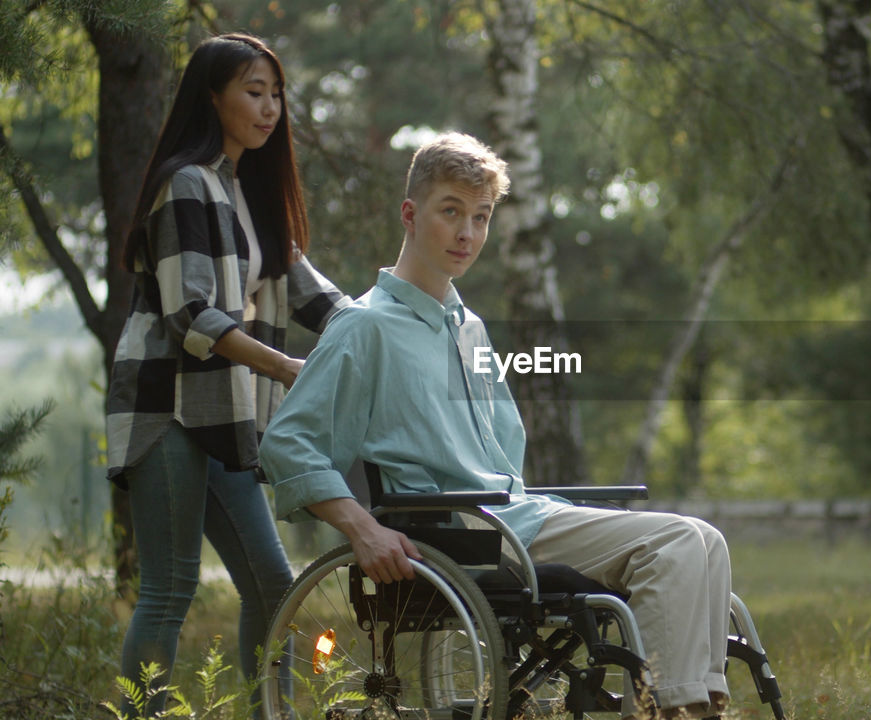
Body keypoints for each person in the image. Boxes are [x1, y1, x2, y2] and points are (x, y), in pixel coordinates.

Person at [260, 132, 731, 720]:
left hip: (514, 513)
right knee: (679, 541)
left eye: (480, 218)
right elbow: (288, 444)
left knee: (706, 541)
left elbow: (506, 450)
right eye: (451, 212)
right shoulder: (364, 327)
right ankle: (676, 710)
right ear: (410, 214)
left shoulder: (470, 330)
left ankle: (696, 702)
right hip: (466, 531)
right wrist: (363, 530)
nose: (467, 234)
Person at [105, 33, 350, 716]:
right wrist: (284, 365)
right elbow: (192, 315)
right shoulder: (187, 183)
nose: (270, 107)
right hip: (167, 410)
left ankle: (271, 711)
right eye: (253, 90)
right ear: (211, 97)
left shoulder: (252, 196)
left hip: (227, 416)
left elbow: (325, 303)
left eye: (276, 93)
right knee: (170, 588)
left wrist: (402, 330)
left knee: (274, 588)